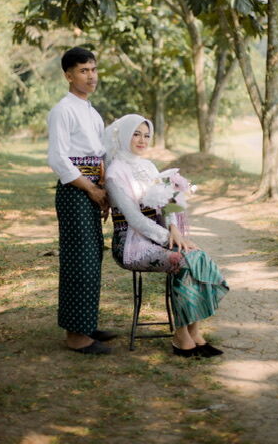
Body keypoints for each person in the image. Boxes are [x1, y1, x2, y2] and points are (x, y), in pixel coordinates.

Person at [104, 114, 229, 358]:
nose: (142, 140)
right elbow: (135, 219)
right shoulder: (114, 173)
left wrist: (174, 230)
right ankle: (181, 336)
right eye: (136, 134)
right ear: (124, 135)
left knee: (197, 256)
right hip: (132, 243)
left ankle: (194, 332)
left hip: (160, 235)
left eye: (146, 135)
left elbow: (166, 201)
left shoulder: (149, 166)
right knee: (182, 261)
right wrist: (168, 239)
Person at [47, 46, 116, 355]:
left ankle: (85, 324)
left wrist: (104, 192)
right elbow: (58, 159)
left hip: (92, 190)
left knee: (92, 258)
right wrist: (90, 189)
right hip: (75, 191)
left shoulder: (92, 112)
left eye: (93, 69)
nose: (91, 76)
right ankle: (75, 337)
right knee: (79, 260)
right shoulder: (63, 110)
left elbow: (99, 156)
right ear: (68, 75)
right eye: (83, 71)